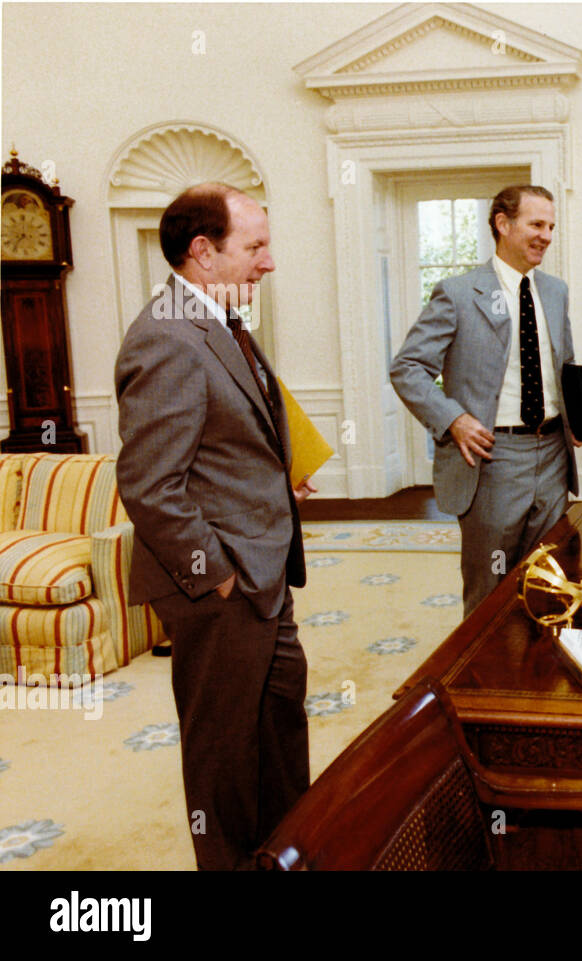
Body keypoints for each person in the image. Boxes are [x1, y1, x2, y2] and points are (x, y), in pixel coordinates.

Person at [115, 183, 316, 870]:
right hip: (223, 583)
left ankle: (284, 855)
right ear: (203, 251)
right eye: (254, 247)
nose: (268, 262)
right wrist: (220, 577)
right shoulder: (166, 337)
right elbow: (149, 484)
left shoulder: (219, 316)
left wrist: (277, 471)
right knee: (224, 755)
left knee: (280, 729)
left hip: (264, 568)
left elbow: (224, 433)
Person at [390, 185, 579, 613]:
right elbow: (408, 368)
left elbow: (565, 364)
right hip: (493, 458)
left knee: (549, 578)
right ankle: (478, 675)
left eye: (551, 226)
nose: (546, 235)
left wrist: (578, 420)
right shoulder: (457, 293)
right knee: (490, 585)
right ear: (502, 224)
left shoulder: (555, 291)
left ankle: (537, 672)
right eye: (536, 224)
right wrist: (452, 418)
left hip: (552, 453)